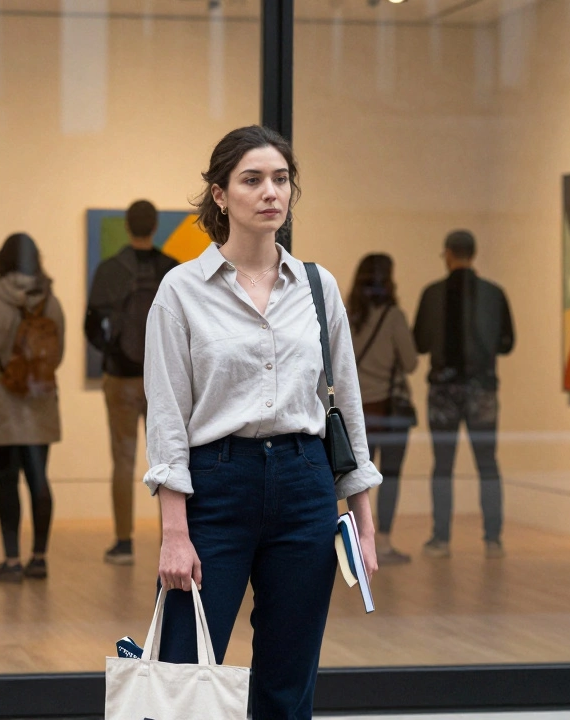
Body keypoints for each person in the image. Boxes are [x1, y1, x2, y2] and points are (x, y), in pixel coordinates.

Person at [147, 125, 381, 719]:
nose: (270, 192)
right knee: (183, 669)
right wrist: (174, 532)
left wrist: (364, 522)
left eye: (281, 179)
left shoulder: (318, 287)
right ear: (221, 196)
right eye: (252, 180)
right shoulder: (181, 291)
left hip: (305, 487)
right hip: (216, 486)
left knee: (288, 677)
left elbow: (347, 409)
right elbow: (168, 419)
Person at [85, 199, 179, 565]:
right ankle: (168, 539)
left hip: (121, 378)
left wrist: (113, 352)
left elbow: (91, 326)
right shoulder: (170, 270)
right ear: (154, 226)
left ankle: (123, 542)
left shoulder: (109, 270)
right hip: (163, 383)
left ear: (128, 226)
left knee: (123, 460)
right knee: (168, 462)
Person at [0, 233, 65, 583]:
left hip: (0, 403)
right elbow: (59, 352)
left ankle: (10, 561)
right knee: (39, 481)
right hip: (39, 400)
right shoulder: (50, 300)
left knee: (6, 481)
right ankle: (39, 559)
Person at [412, 230, 515, 559]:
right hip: (482, 388)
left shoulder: (432, 294)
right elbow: (507, 343)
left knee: (443, 465)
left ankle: (441, 538)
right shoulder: (494, 294)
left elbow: (420, 343)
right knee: (488, 463)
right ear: (473, 253)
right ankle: (493, 538)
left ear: (448, 254)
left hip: (443, 389)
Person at [348, 253, 418, 565]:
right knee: (389, 475)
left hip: (356, 410)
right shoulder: (394, 316)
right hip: (388, 410)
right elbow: (412, 362)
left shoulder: (348, 316)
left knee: (355, 479)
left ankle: (352, 544)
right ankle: (384, 542)